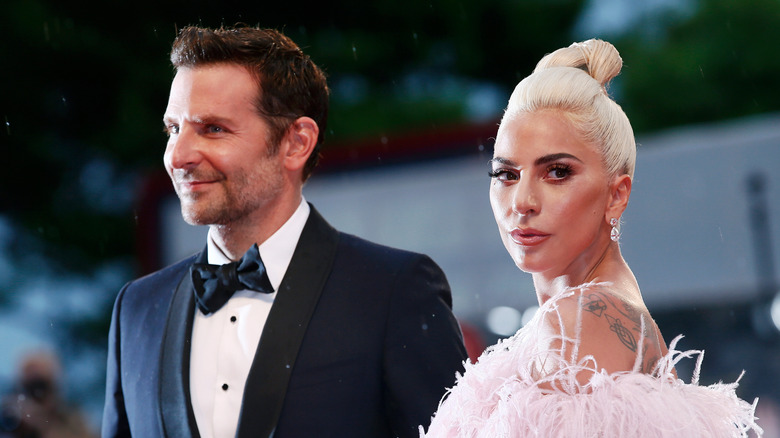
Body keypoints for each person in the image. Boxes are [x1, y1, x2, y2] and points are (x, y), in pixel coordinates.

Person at [101, 25, 468, 438]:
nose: (179, 155)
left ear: (296, 143)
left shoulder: (393, 291)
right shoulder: (136, 309)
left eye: (213, 129)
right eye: (173, 129)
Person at [422, 39, 762, 437]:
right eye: (507, 175)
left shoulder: (580, 321)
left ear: (616, 195)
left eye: (557, 172)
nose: (522, 201)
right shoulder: (599, 312)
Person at [1, 350, 96, 438]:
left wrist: (40, 425)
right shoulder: (12, 419)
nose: (36, 395)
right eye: (28, 388)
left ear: (54, 387)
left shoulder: (73, 422)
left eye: (40, 386)